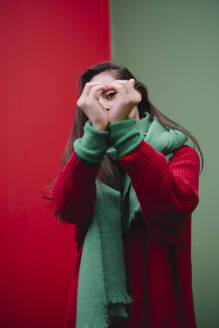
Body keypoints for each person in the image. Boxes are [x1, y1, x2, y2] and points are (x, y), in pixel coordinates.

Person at [51, 61, 203, 328]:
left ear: (136, 95)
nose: (106, 107)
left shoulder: (178, 153)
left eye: (111, 95)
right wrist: (95, 138)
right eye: (95, 101)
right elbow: (69, 210)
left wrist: (124, 135)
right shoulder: (85, 159)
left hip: (158, 306)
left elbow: (175, 208)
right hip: (96, 309)